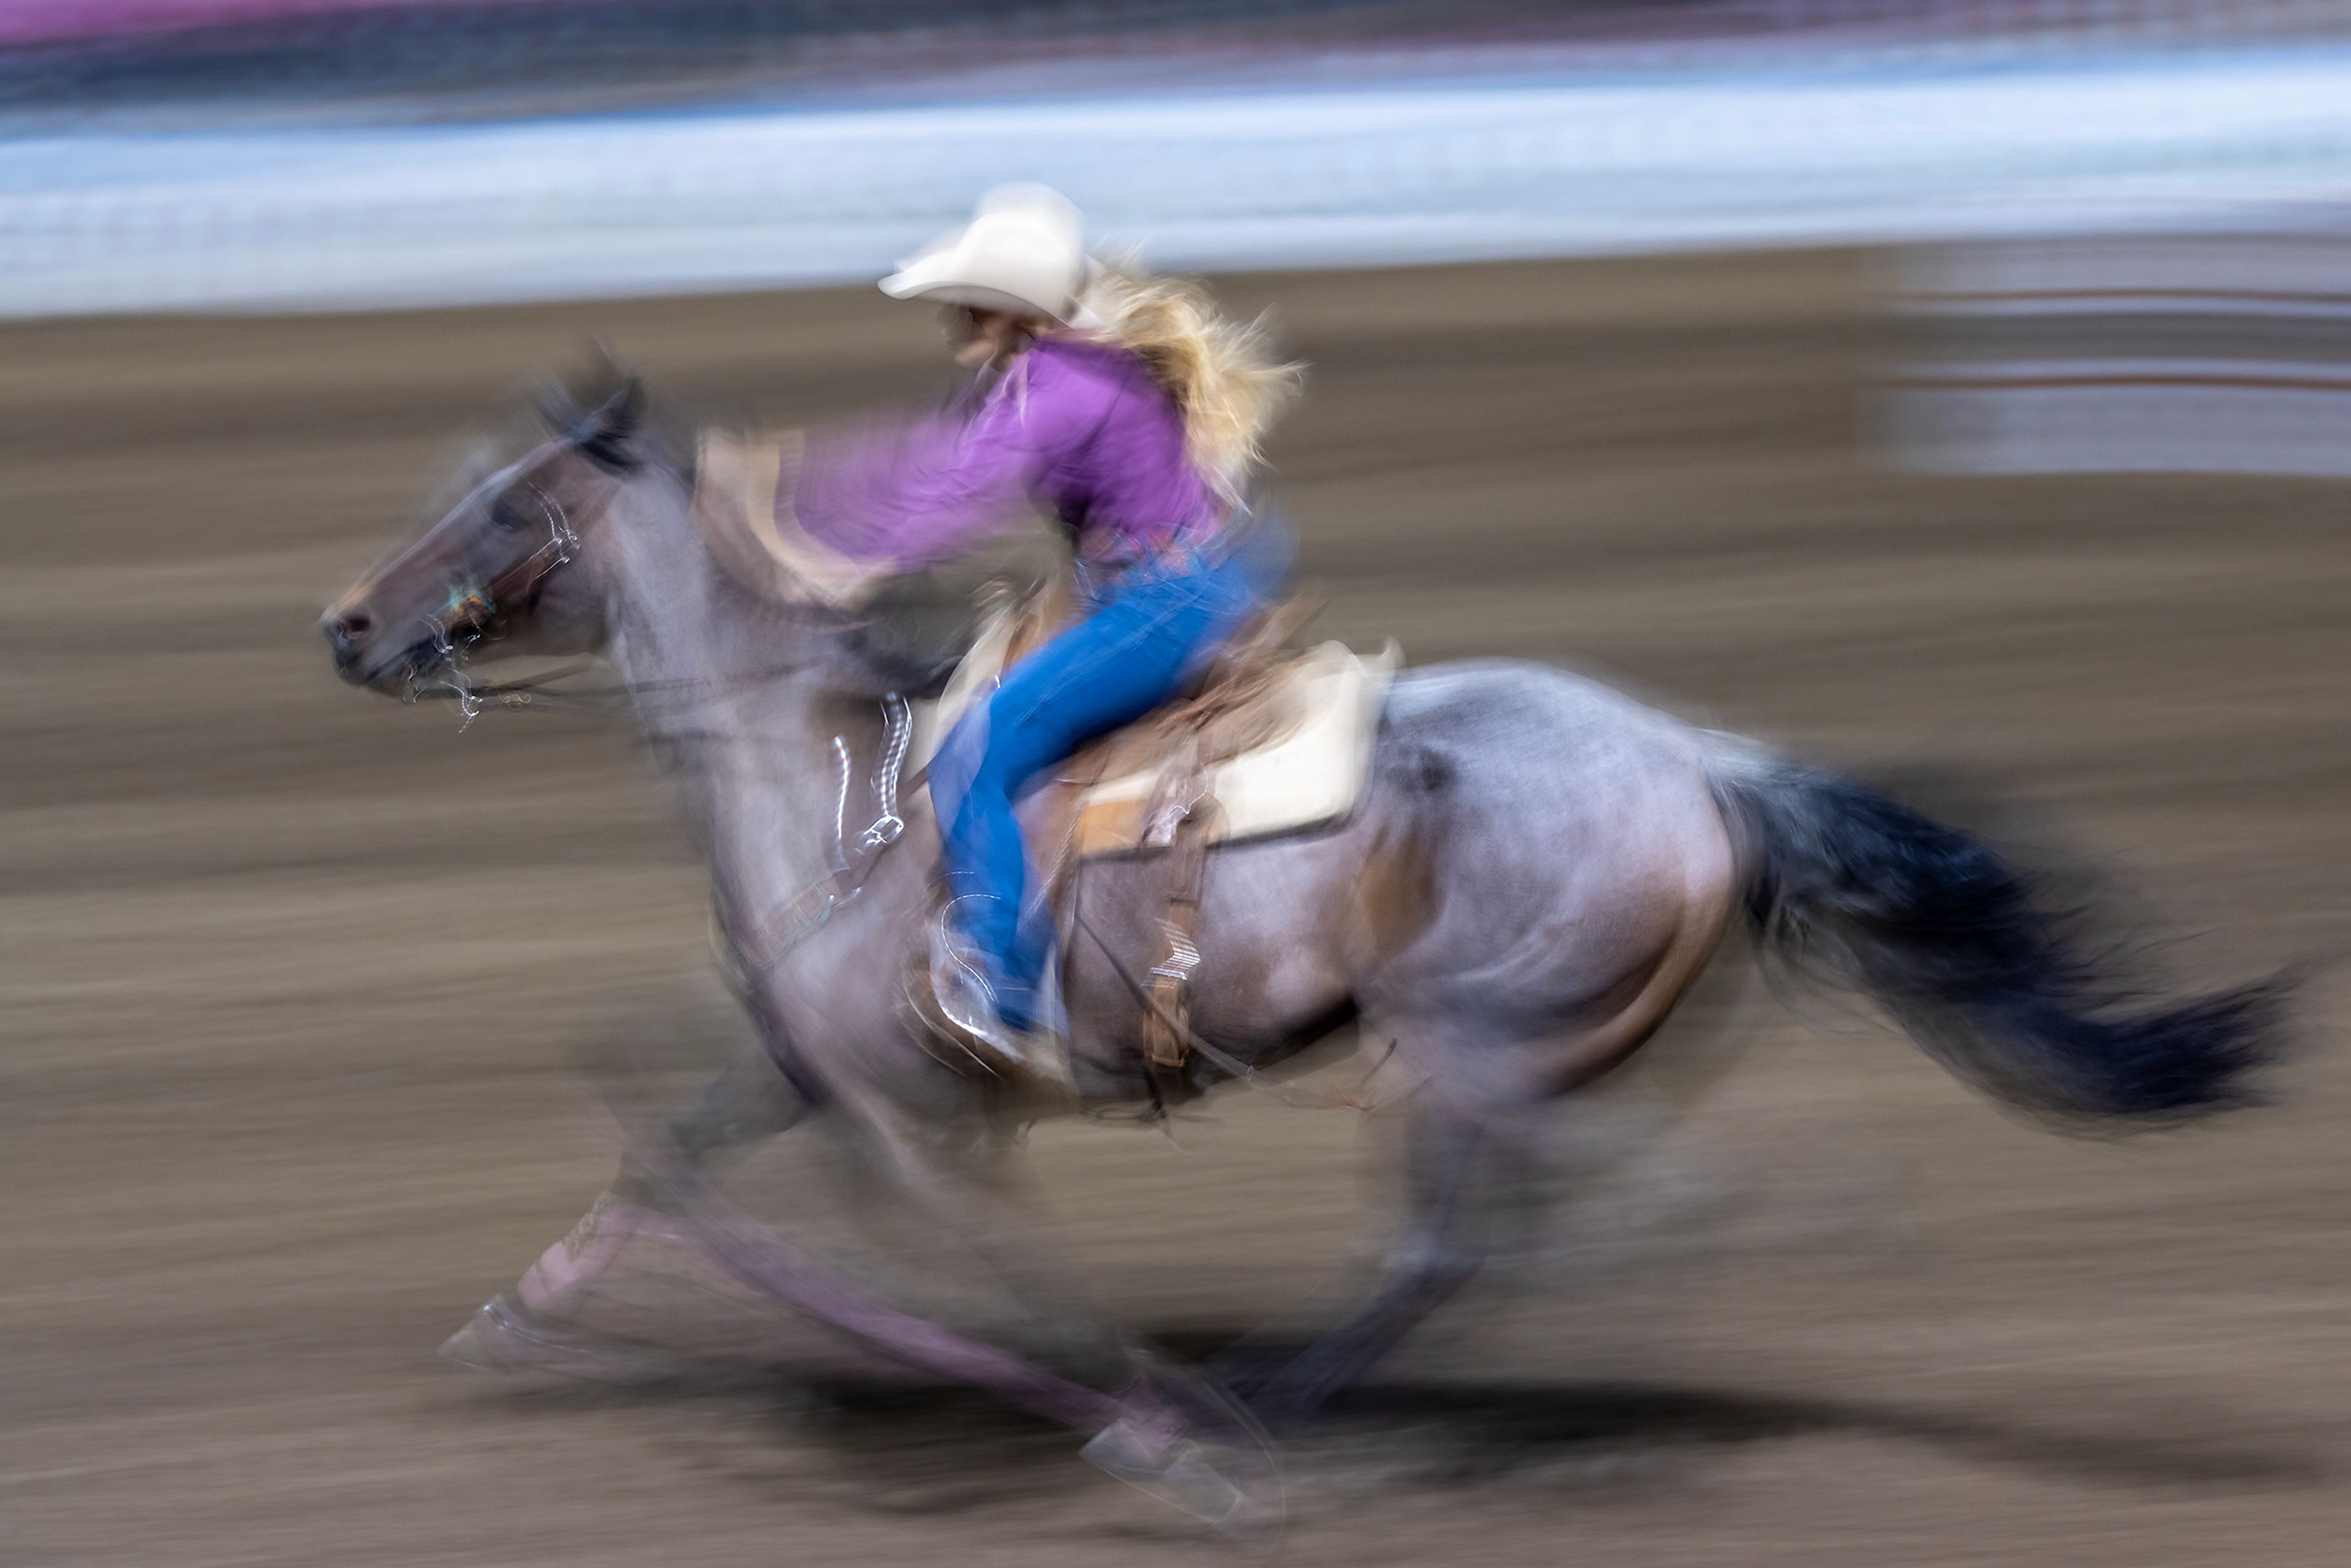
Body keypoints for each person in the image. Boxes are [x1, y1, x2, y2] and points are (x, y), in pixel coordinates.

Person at [792, 184, 1301, 1068]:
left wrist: (849, 568)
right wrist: (818, 502)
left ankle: (1002, 989)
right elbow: (935, 462)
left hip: (1161, 604)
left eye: (965, 300)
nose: (950, 315)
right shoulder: (1051, 371)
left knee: (975, 752)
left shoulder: (1057, 392)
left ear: (1003, 308)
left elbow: (958, 497)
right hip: (1173, 582)